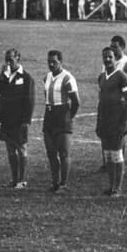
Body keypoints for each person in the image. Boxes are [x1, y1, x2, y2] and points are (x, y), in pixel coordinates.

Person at [0, 48, 35, 189]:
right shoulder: (5, 75)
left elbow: (30, 101)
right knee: (10, 149)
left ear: (18, 59)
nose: (8, 63)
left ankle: (22, 180)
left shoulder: (26, 78)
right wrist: (3, 76)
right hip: (6, 119)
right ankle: (14, 178)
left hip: (19, 120)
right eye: (6, 60)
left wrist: (26, 120)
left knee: (21, 149)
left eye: (10, 59)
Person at [95, 46, 127, 197]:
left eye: (110, 57)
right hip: (105, 121)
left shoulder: (122, 76)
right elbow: (100, 101)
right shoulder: (102, 77)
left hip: (117, 121)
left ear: (116, 59)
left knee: (117, 155)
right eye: (105, 57)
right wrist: (98, 121)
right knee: (108, 155)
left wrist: (123, 123)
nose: (108, 60)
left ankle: (117, 188)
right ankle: (111, 186)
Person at [42, 49, 80, 193]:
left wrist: (69, 116)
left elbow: (76, 102)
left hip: (62, 116)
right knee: (51, 152)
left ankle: (63, 184)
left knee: (64, 153)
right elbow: (47, 96)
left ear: (61, 62)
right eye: (49, 62)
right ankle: (55, 182)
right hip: (49, 116)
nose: (51, 65)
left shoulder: (68, 78)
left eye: (54, 62)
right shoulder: (46, 77)